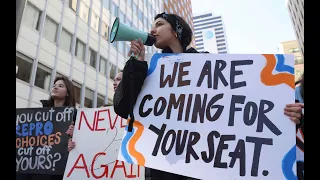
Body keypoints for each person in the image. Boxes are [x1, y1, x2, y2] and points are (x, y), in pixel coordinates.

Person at [113, 12, 201, 180]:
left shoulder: (203, 62)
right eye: (152, 26)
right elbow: (123, 107)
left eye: (159, 24)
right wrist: (135, 64)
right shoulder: (149, 69)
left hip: (197, 154)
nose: (153, 30)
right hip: (162, 161)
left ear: (176, 31)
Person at [17, 76, 77, 180]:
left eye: (60, 86)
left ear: (68, 92)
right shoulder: (38, 115)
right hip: (33, 166)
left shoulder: (75, 116)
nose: (55, 87)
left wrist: (75, 135)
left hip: (57, 168)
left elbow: (81, 144)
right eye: (54, 85)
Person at [67, 71, 123, 151]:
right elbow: (96, 140)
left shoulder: (134, 110)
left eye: (119, 79)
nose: (114, 83)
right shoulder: (104, 111)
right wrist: (76, 136)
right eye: (114, 80)